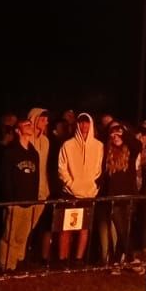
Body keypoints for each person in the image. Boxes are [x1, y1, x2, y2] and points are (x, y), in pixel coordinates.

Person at [52, 112, 102, 263]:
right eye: (81, 122)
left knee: (84, 229)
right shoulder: (68, 145)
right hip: (70, 193)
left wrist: (92, 185)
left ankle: (78, 259)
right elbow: (62, 168)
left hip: (89, 194)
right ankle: (62, 259)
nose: (84, 125)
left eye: (86, 122)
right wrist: (70, 183)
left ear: (91, 124)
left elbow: (98, 168)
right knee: (66, 228)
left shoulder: (99, 146)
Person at [0, 119, 42, 273]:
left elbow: (36, 177)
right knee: (10, 234)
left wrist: (35, 199)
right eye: (26, 125)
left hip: (29, 201)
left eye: (30, 125)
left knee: (22, 235)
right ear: (18, 130)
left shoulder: (33, 152)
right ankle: (6, 264)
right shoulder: (10, 152)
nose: (30, 127)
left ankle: (17, 261)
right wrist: (9, 199)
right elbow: (5, 177)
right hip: (14, 200)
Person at [98, 121, 139, 264]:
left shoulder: (130, 151)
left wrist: (122, 130)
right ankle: (131, 258)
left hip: (128, 196)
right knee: (121, 230)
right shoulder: (107, 153)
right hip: (113, 198)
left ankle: (116, 261)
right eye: (112, 134)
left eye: (118, 134)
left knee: (125, 231)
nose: (115, 136)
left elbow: (137, 144)